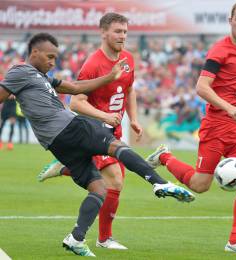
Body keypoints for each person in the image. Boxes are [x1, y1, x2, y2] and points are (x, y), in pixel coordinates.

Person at [0, 33, 195, 257]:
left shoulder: (42, 77)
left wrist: (110, 77)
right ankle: (159, 183)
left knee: (99, 188)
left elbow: (74, 87)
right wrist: (11, 92)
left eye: (55, 58)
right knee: (116, 146)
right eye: (49, 57)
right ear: (34, 52)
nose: (53, 62)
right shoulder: (20, 71)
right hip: (69, 127)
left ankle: (76, 238)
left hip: (56, 143)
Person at [146, 1, 236, 255]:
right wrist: (229, 108)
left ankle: (235, 241)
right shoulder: (220, 50)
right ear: (230, 20)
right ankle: (164, 156)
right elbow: (202, 87)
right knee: (200, 185)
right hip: (217, 126)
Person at [38, 12, 144, 250]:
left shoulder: (127, 59)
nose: (122, 36)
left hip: (114, 131)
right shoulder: (93, 64)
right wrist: (105, 116)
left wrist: (134, 119)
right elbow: (75, 103)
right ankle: (103, 239)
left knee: (116, 183)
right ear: (103, 32)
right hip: (93, 131)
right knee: (114, 180)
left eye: (125, 32)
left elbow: (130, 90)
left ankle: (66, 168)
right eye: (118, 31)